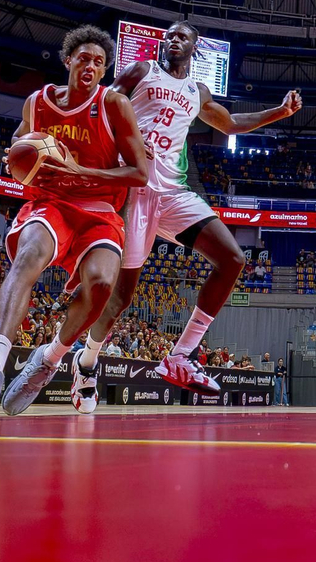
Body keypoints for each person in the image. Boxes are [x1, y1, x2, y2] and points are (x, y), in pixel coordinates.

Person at [70, 21, 302, 413]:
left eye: (183, 36)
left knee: (232, 258)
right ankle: (87, 362)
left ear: (194, 48)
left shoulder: (197, 92)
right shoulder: (142, 71)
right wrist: (121, 139)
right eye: (170, 35)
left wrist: (278, 112)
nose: (173, 39)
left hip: (174, 193)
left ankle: (181, 356)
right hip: (133, 189)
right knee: (121, 297)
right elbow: (101, 109)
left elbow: (229, 123)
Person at [0, 25, 150, 420]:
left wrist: (82, 172)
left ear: (104, 71)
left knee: (103, 285)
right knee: (29, 255)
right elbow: (21, 139)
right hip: (52, 202)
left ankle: (50, 358)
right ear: (68, 60)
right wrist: (16, 156)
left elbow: (139, 173)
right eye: (84, 58)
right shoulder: (38, 103)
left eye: (99, 62)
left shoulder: (113, 105)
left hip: (101, 211)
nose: (90, 65)